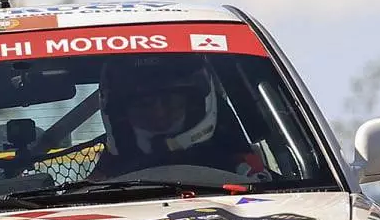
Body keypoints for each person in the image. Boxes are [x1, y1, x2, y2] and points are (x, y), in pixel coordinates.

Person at [96, 55, 264, 178]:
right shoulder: (105, 171)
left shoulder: (239, 162)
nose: (159, 113)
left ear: (192, 103)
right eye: (143, 104)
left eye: (168, 100)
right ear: (121, 113)